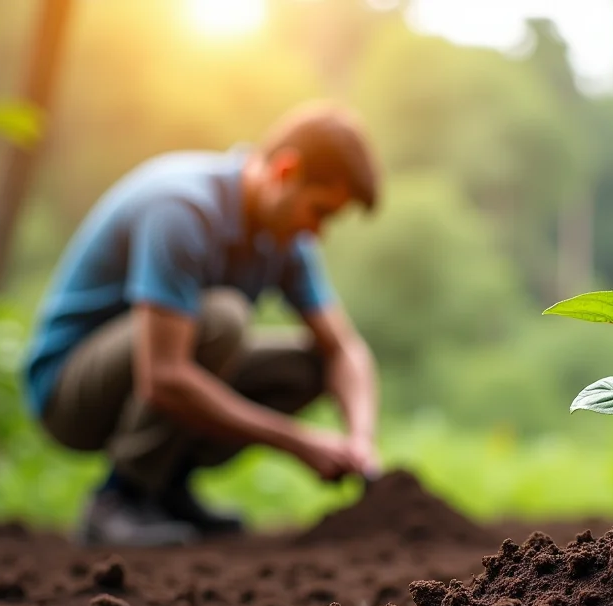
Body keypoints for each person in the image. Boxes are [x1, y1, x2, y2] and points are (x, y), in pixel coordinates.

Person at [21, 102, 382, 547]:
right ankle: (119, 498)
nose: (318, 231)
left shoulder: (286, 239)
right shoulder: (183, 208)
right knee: (221, 320)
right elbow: (163, 377)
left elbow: (344, 350)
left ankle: (168, 488)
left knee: (307, 366)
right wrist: (299, 443)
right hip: (68, 391)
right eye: (320, 211)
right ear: (286, 171)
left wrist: (361, 443)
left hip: (150, 372)